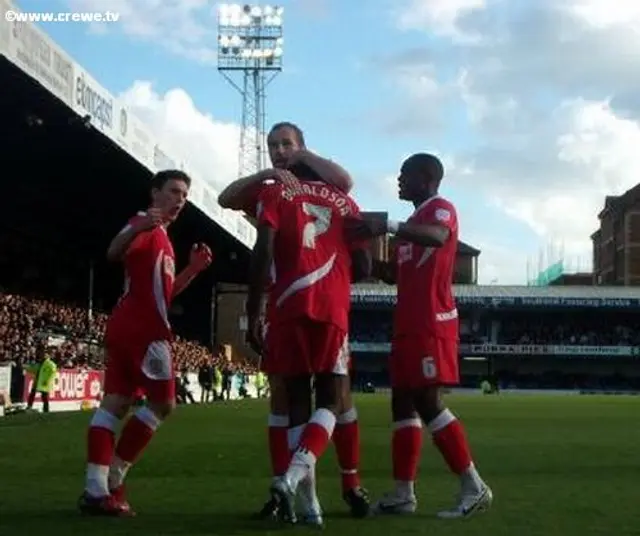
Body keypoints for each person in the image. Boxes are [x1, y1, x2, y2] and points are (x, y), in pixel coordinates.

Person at [219, 122, 369, 519]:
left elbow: (261, 245)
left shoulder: (274, 193)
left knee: (293, 399)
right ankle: (300, 485)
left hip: (285, 302)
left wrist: (254, 309)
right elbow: (367, 262)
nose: (279, 151)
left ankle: (306, 499)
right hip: (330, 305)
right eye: (273, 146)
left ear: (303, 147)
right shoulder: (341, 201)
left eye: (286, 145)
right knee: (334, 399)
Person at [347, 153, 493, 518]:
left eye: (404, 175)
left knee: (427, 401)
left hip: (433, 322)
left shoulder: (440, 209)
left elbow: (439, 237)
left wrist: (387, 224)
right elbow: (395, 273)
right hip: (408, 325)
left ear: (426, 178)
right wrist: (358, 249)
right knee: (402, 404)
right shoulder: (413, 221)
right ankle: (403, 494)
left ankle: (474, 487)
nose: (398, 181)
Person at [78, 169, 213, 517]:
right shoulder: (146, 223)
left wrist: (193, 269)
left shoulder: (163, 238)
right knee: (163, 404)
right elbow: (113, 251)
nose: (180, 199)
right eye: (173, 191)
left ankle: (95, 490)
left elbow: (165, 294)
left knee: (115, 403)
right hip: (146, 330)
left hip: (127, 325)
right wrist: (138, 227)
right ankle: (115, 477)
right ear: (155, 193)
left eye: (184, 194)